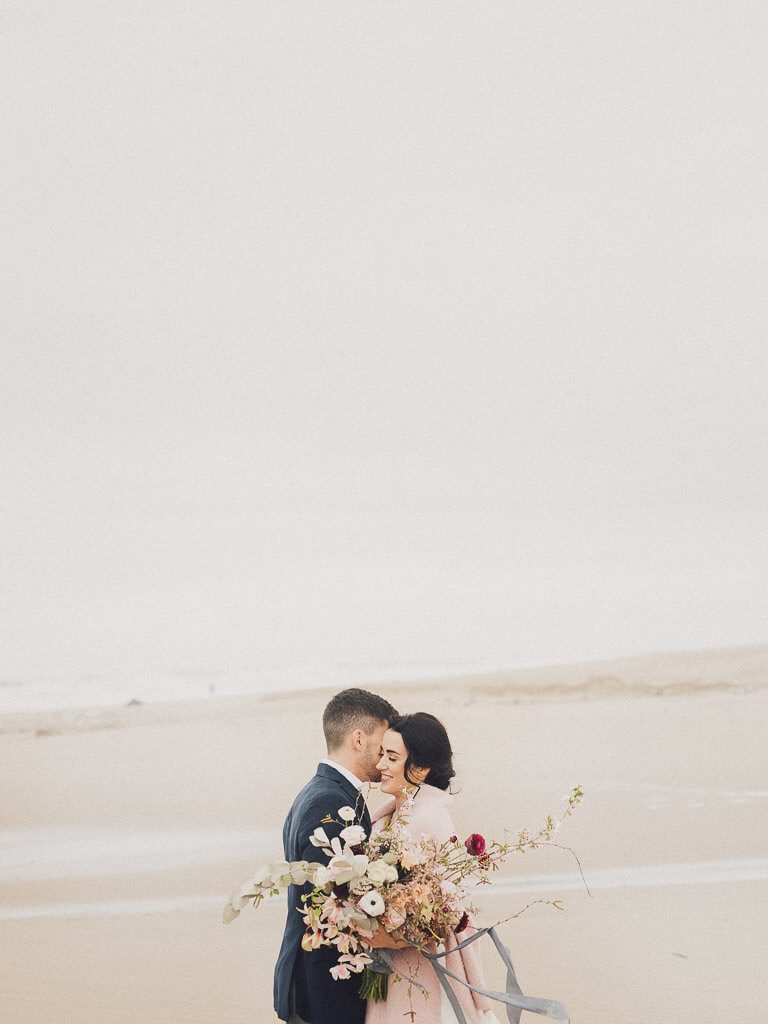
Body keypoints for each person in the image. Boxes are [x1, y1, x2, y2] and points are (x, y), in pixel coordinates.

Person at [365, 713, 502, 1024]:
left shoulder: (429, 818)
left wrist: (391, 937)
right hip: (393, 967)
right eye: (381, 754)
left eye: (392, 757)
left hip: (424, 969)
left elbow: (444, 914)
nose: (381, 765)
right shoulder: (387, 816)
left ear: (420, 768)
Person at [274, 687, 399, 1024]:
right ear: (359, 739)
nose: (386, 756)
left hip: (317, 982)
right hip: (322, 988)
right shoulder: (331, 802)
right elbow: (329, 906)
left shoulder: (319, 791)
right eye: (383, 745)